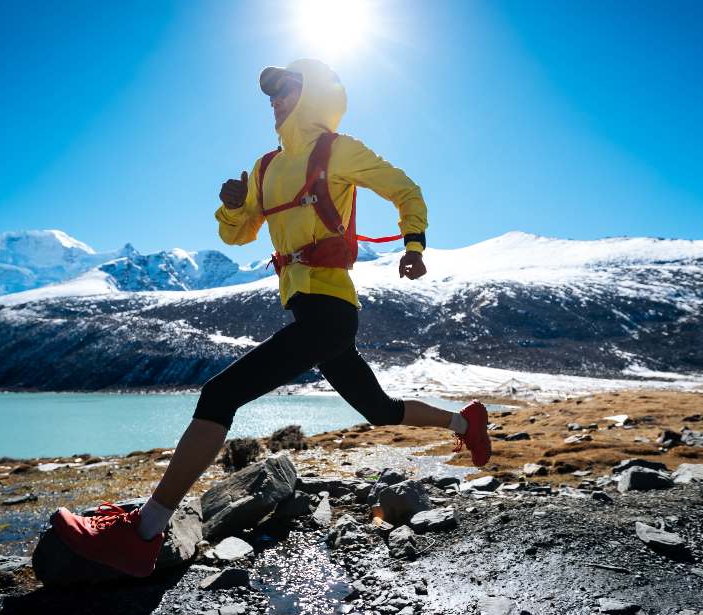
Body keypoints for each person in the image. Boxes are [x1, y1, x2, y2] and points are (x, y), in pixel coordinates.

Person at [50, 59, 491, 578]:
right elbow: (236, 237)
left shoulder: (338, 150)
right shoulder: (263, 168)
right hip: (312, 313)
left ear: (313, 95)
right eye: (272, 95)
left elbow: (406, 190)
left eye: (286, 91)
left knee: (218, 395)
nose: (276, 101)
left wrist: (414, 244)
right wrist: (234, 208)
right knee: (379, 408)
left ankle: (144, 534)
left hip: (330, 312)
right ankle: (466, 421)